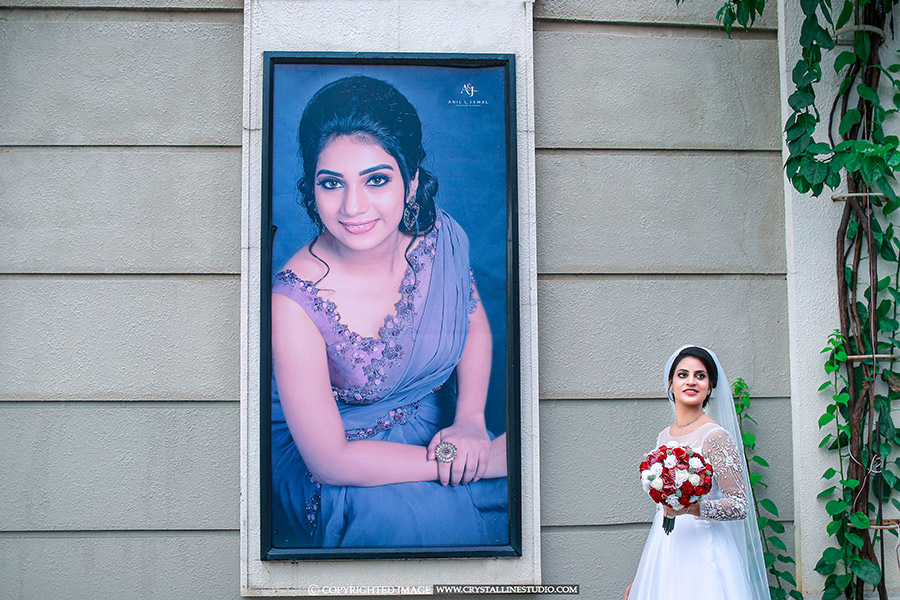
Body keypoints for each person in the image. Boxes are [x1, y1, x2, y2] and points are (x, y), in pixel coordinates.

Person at [269, 75, 509, 549]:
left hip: (438, 422)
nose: (353, 207)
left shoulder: (437, 240)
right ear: (311, 188)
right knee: (413, 526)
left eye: (376, 179)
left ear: (412, 180)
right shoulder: (293, 300)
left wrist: (469, 421)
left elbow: (472, 325)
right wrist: (467, 459)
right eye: (331, 183)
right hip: (340, 451)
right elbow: (330, 461)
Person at [625, 346, 771, 600]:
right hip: (667, 548)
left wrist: (692, 508)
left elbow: (739, 505)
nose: (691, 381)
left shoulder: (715, 436)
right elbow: (661, 506)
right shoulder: (664, 436)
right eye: (683, 375)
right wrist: (643, 577)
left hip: (705, 550)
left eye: (700, 376)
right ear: (671, 383)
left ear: (710, 385)